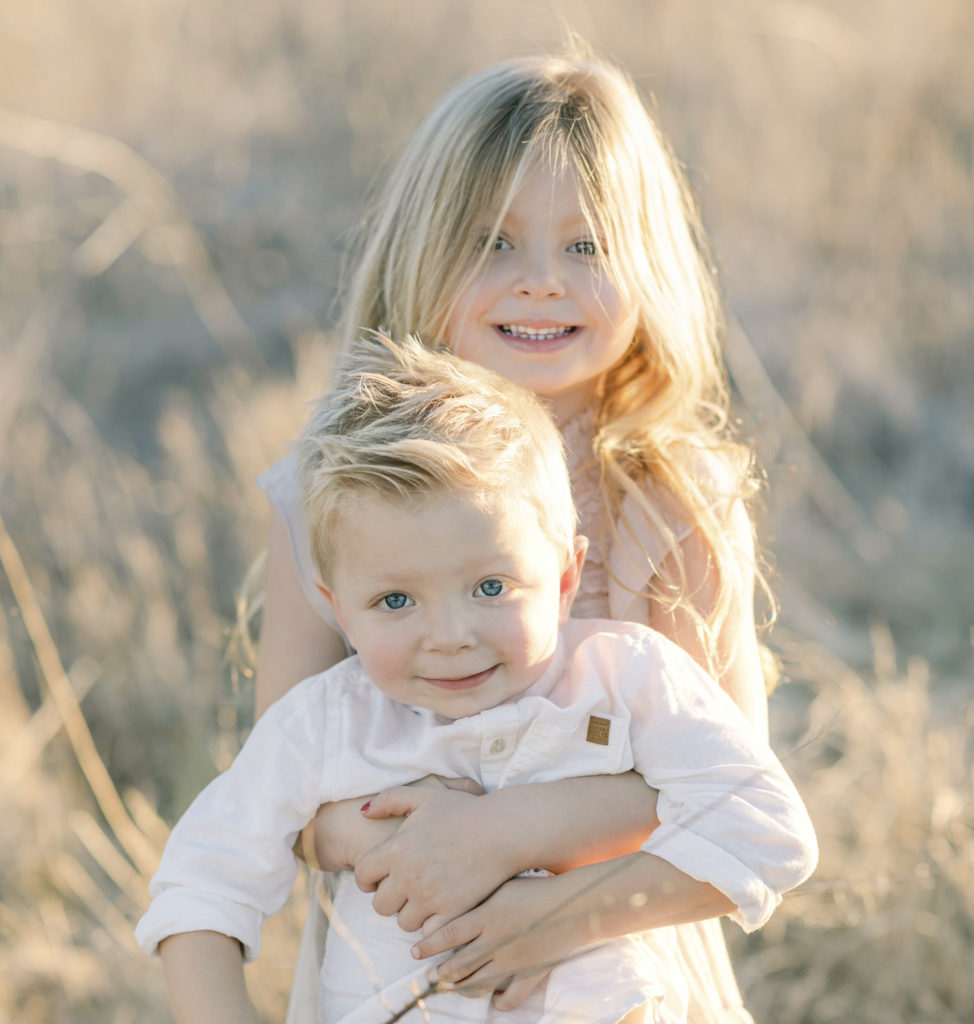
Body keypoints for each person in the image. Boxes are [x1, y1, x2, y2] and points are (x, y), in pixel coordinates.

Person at [254, 50, 776, 1022]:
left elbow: (740, 786)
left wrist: (515, 847)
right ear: (421, 251)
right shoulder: (326, 491)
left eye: (586, 247)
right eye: (491, 242)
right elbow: (285, 795)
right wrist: (431, 855)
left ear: (647, 265)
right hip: (407, 964)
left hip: (623, 963)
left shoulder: (672, 500)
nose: (540, 283)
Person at [137, 335, 817, 1024]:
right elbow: (202, 880)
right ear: (337, 608)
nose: (450, 636)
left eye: (490, 586)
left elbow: (767, 829)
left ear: (563, 578)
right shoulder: (329, 724)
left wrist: (566, 913)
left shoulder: (625, 679)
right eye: (395, 601)